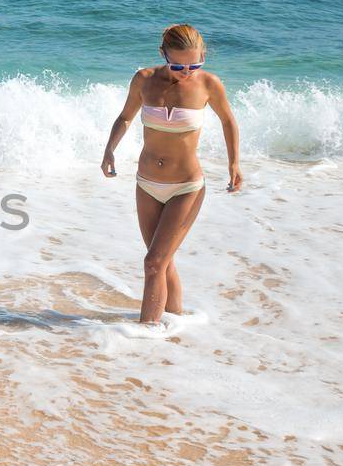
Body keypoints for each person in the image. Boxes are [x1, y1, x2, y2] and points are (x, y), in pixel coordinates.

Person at [100, 24, 242, 323]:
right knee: (163, 263)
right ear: (162, 54)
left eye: (194, 64)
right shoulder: (144, 80)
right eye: (177, 64)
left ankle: (145, 334)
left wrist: (234, 164)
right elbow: (125, 117)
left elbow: (228, 121)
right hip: (146, 184)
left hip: (186, 187)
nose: (186, 71)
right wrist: (110, 148)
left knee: (153, 262)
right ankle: (175, 326)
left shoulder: (209, 84)